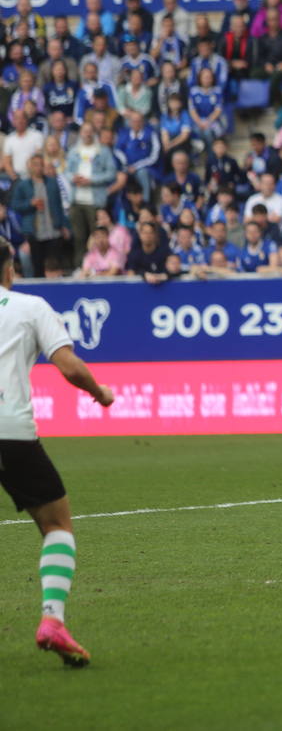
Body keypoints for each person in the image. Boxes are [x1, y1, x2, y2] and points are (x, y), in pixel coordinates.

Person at [0, 238, 115, 666]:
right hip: (9, 429)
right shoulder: (30, 307)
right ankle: (52, 620)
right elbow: (68, 366)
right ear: (9, 268)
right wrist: (99, 393)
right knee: (57, 525)